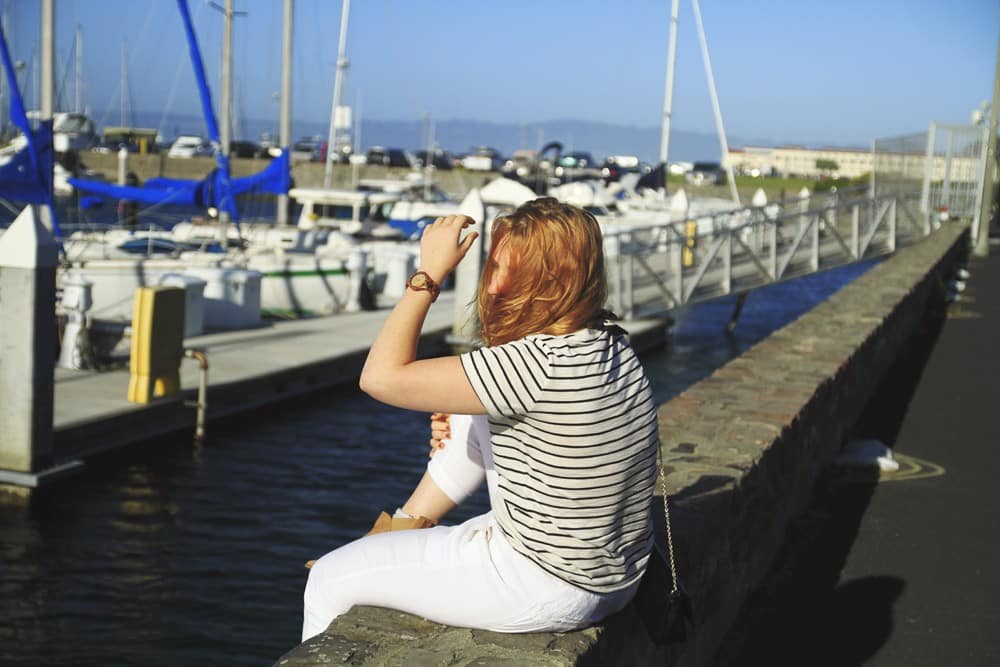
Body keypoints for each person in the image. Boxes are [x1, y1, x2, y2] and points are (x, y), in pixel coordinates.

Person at [302, 197, 660, 642]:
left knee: (329, 579)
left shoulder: (536, 364)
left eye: (507, 270)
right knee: (465, 412)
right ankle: (405, 523)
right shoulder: (608, 343)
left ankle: (389, 541)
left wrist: (427, 276)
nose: (492, 287)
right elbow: (499, 401)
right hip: (611, 575)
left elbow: (378, 378)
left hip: (544, 580)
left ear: (551, 280)